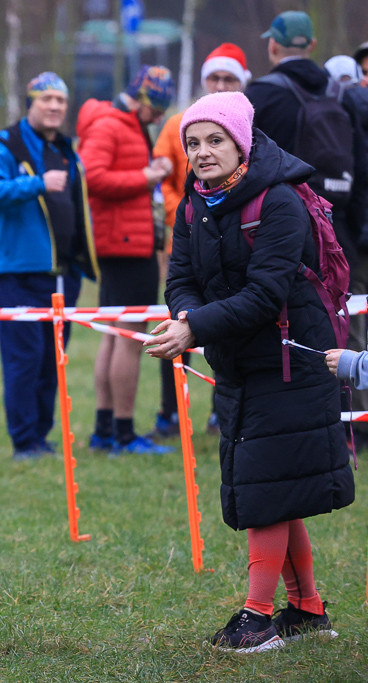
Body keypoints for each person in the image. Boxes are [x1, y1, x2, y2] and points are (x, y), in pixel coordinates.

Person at [145, 91, 354, 653]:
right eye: (193, 143)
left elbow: (265, 295)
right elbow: (178, 280)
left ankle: (257, 620)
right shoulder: (194, 205)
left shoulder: (280, 201)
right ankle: (307, 611)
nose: (203, 152)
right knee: (273, 486)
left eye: (215, 140)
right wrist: (186, 317)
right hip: (241, 364)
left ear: (241, 141)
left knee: (266, 492)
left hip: (293, 362)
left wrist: (194, 330)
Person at [247, 11, 368, 450]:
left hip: (277, 232)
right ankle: (353, 420)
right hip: (337, 231)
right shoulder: (341, 93)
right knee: (341, 321)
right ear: (313, 46)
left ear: (273, 47)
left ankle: (302, 416)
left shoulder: (260, 95)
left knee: (285, 324)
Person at [0, 71, 98, 460]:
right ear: (30, 103)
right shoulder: (5, 145)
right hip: (18, 273)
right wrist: (37, 184)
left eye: (60, 101)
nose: (53, 106)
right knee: (23, 362)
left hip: (65, 275)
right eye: (45, 99)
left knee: (53, 362)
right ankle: (24, 441)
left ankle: (42, 438)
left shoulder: (67, 149)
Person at [150, 43, 252, 438]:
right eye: (215, 77)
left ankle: (216, 411)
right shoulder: (178, 122)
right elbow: (162, 177)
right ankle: (171, 409)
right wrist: (186, 215)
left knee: (226, 321)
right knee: (178, 321)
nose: (220, 84)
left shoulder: (242, 126)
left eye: (229, 79)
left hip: (232, 236)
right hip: (191, 231)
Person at [76, 65, 176, 455]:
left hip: (124, 241)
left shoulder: (120, 123)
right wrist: (147, 175)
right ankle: (123, 432)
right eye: (157, 109)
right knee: (129, 339)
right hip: (125, 244)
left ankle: (106, 429)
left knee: (115, 336)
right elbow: (92, 177)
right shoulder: (111, 125)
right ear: (144, 99)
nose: (159, 118)